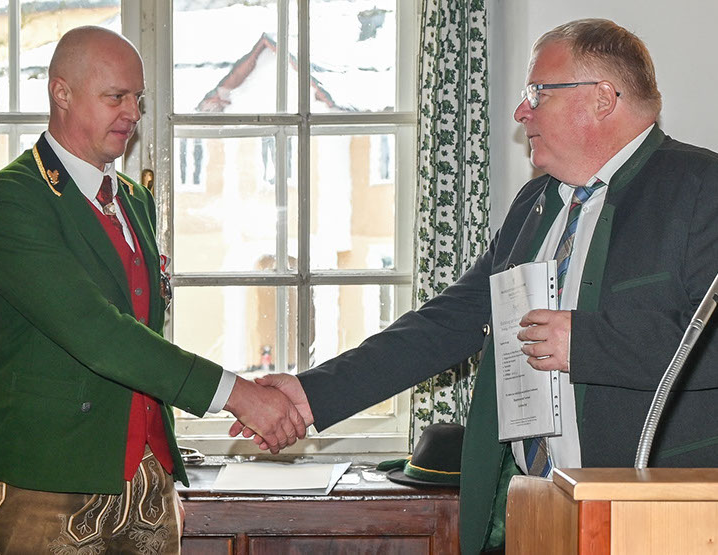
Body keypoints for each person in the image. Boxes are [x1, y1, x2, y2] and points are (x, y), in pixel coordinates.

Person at [233, 18, 718, 554]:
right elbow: (447, 324)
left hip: (660, 519)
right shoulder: (536, 205)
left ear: (603, 98)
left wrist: (587, 343)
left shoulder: (702, 188)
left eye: (538, 92)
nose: (521, 112)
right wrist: (310, 394)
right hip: (537, 511)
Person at [0, 26, 305, 553]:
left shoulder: (133, 199)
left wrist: (155, 474)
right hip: (47, 487)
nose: (133, 112)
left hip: (147, 482)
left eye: (138, 98)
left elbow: (145, 329)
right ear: (61, 93)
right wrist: (239, 395)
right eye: (116, 97)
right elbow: (97, 333)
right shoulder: (9, 201)